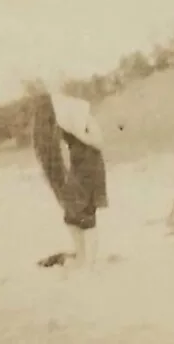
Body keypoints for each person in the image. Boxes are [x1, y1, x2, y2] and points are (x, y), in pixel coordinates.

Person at [33, 92, 108, 271]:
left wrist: (79, 134)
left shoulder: (85, 117)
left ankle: (90, 263)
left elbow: (99, 142)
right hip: (77, 169)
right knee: (71, 216)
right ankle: (82, 256)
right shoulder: (64, 122)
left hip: (92, 170)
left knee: (88, 216)